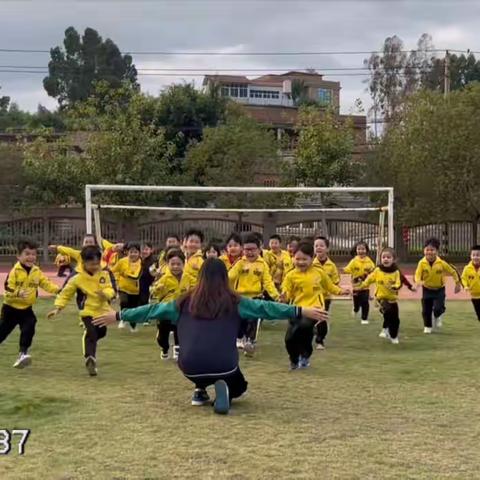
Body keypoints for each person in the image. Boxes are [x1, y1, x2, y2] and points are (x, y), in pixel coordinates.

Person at [92, 258, 328, 415]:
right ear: (225, 278)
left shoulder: (183, 302)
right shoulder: (235, 302)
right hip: (225, 365)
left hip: (189, 366)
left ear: (200, 277)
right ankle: (220, 389)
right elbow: (267, 308)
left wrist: (120, 315)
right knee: (239, 385)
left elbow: (151, 310)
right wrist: (300, 310)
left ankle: (200, 389)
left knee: (192, 355)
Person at [48, 246, 117, 376]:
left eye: (97, 263)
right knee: (92, 334)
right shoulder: (77, 278)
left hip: (102, 310)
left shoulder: (104, 274)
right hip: (87, 311)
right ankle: (90, 359)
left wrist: (106, 294)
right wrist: (58, 308)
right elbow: (65, 293)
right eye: (91, 264)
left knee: (101, 333)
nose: (95, 267)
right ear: (83, 263)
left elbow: (110, 288)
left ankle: (91, 353)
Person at [1, 240, 60, 368]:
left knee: (30, 325)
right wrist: (17, 293)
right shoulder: (14, 271)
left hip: (26, 309)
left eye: (33, 254)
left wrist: (58, 290)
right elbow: (7, 290)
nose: (31, 257)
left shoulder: (36, 271)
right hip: (10, 309)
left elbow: (46, 283)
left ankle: (22, 354)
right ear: (19, 256)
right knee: (3, 332)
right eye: (27, 254)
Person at [228, 233, 279, 355]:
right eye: (246, 249)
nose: (249, 252)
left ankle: (250, 343)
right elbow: (230, 276)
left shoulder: (263, 265)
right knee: (240, 320)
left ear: (259, 249)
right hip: (239, 298)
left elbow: (268, 283)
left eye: (252, 249)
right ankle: (239, 338)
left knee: (253, 321)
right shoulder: (240, 263)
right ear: (243, 250)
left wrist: (276, 296)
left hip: (256, 298)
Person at [356, 247, 414, 344]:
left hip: (392, 299)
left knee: (395, 320)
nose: (386, 259)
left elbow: (399, 282)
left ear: (393, 259)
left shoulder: (396, 271)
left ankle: (393, 336)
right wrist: (361, 286)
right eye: (383, 257)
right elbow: (369, 279)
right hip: (380, 299)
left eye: (388, 257)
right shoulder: (377, 270)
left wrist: (395, 287)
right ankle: (386, 329)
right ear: (381, 259)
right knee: (387, 311)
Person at [413, 237, 462, 334]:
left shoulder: (442, 263)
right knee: (426, 310)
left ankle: (437, 316)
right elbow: (417, 275)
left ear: (437, 251)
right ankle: (427, 327)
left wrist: (457, 283)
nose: (429, 252)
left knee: (438, 309)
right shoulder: (421, 263)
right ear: (424, 250)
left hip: (439, 290)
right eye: (427, 250)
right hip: (427, 289)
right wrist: (418, 282)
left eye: (432, 250)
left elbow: (453, 271)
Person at [150, 249, 185, 360]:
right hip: (165, 312)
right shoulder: (164, 279)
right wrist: (157, 289)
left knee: (179, 330)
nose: (175, 267)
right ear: (168, 264)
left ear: (183, 264)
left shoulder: (187, 278)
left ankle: (177, 349)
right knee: (162, 337)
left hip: (180, 311)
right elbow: (153, 292)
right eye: (172, 264)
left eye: (178, 264)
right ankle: (164, 348)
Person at [312, 236, 340, 349]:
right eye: (316, 246)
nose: (319, 248)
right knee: (311, 318)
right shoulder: (311, 264)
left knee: (321, 318)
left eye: (321, 245)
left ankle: (320, 340)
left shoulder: (331, 266)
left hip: (326, 297)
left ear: (327, 249)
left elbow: (335, 281)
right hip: (312, 296)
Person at [49, 235, 123, 273]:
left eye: (90, 242)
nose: (88, 244)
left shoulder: (100, 255)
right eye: (86, 242)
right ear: (83, 244)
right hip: (82, 280)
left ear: (95, 244)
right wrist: (57, 248)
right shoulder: (79, 254)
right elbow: (69, 251)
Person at [111, 242, 142, 332]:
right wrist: (115, 280)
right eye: (131, 252)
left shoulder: (141, 263)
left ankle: (133, 325)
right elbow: (114, 271)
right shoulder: (122, 261)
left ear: (139, 253)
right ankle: (123, 319)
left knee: (133, 308)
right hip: (123, 287)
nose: (133, 254)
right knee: (124, 302)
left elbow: (137, 275)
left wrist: (126, 274)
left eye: (135, 252)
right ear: (127, 252)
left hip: (135, 290)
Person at [344, 241, 375, 325]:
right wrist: (344, 270)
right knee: (357, 303)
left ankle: (364, 318)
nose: (361, 251)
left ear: (366, 250)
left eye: (363, 249)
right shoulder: (354, 261)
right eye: (359, 249)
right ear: (356, 250)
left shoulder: (369, 262)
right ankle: (355, 309)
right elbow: (348, 269)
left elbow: (373, 271)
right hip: (356, 287)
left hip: (365, 287)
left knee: (365, 302)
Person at [462, 245, 480, 321]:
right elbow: (463, 278)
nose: (475, 257)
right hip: (474, 296)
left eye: (478, 255)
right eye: (473, 255)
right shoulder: (467, 268)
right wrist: (465, 286)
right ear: (470, 256)